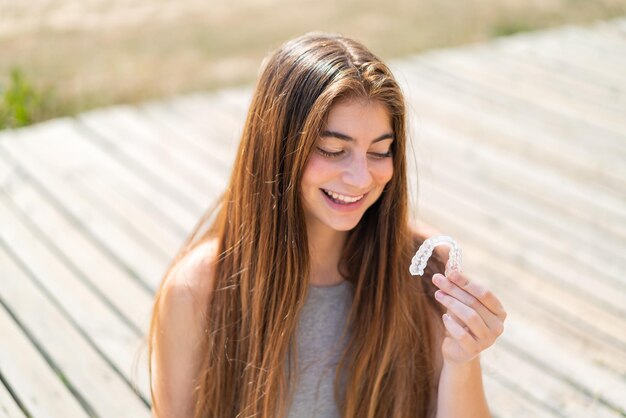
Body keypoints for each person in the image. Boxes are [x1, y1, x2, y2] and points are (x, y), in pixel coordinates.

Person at [148, 31, 507, 418]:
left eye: (379, 151)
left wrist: (461, 360)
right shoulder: (196, 291)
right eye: (334, 150)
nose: (360, 177)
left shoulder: (423, 275)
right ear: (278, 148)